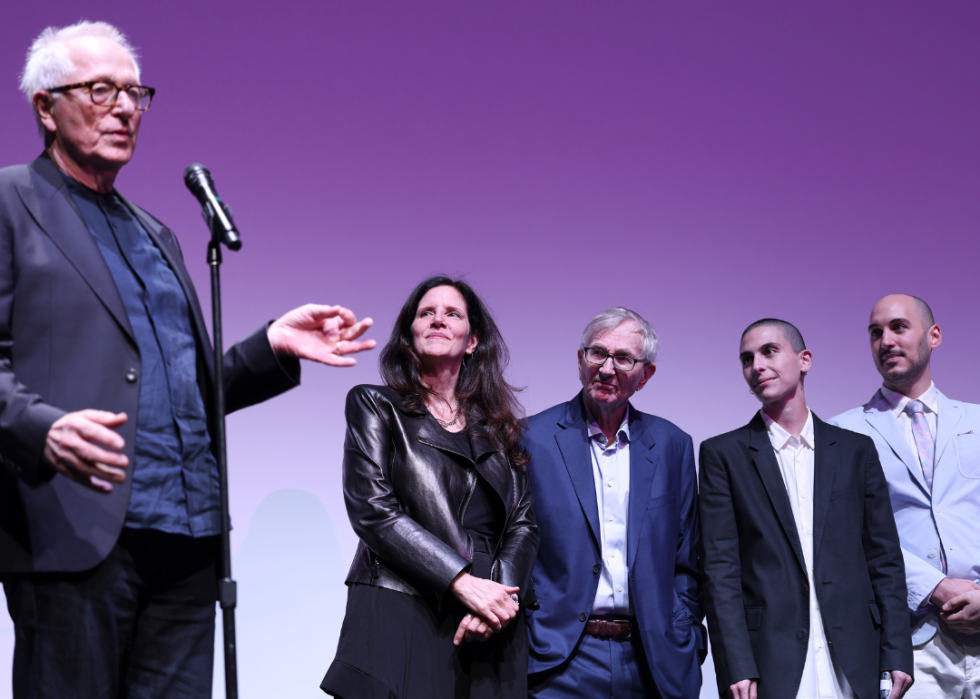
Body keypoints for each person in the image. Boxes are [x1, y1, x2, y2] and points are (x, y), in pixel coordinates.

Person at [0, 21, 375, 699]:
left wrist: (271, 347)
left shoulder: (158, 233)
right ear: (44, 106)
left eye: (135, 93)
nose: (123, 107)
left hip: (189, 538)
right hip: (77, 533)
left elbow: (179, 389)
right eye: (100, 89)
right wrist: (41, 428)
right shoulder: (10, 203)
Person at [320, 276, 537, 698]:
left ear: (472, 341)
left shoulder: (501, 428)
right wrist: (462, 583)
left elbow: (524, 523)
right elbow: (373, 511)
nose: (438, 320)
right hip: (404, 605)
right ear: (410, 335)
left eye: (451, 313)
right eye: (426, 313)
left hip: (490, 620)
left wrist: (498, 601)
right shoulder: (374, 405)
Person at [698, 318, 913, 699]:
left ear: (805, 360)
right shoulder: (722, 455)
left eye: (769, 351)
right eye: (747, 359)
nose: (757, 366)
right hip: (769, 661)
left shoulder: (855, 450)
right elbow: (720, 570)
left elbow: (884, 559)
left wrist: (897, 650)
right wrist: (736, 663)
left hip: (855, 657)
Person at [524, 307, 704, 699]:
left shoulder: (673, 444)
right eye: (597, 353)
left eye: (623, 358)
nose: (607, 369)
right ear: (579, 360)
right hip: (559, 660)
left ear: (645, 375)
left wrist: (686, 631)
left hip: (653, 659)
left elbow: (688, 555)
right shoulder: (531, 438)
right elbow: (514, 546)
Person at [829, 294, 980, 699]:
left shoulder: (978, 422)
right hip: (911, 642)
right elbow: (847, 536)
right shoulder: (841, 434)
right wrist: (935, 587)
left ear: (934, 336)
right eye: (875, 332)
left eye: (898, 327)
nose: (885, 340)